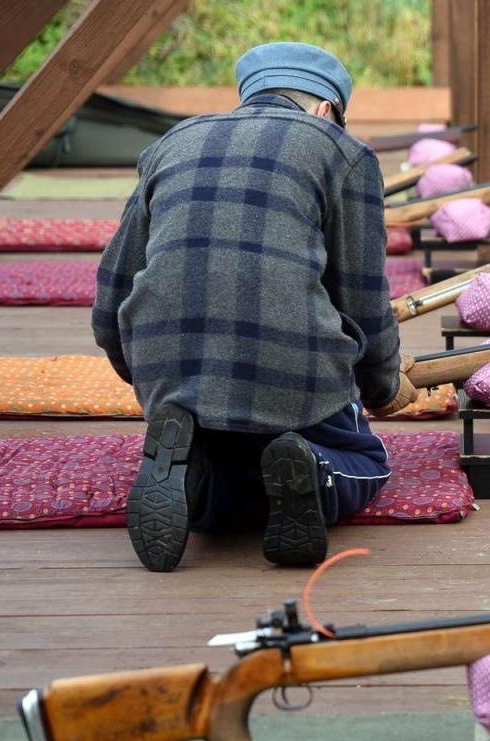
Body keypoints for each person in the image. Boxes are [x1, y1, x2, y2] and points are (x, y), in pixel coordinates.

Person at [93, 42, 414, 572]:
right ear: (325, 109)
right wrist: (380, 387)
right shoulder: (343, 151)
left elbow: (111, 297)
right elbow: (362, 298)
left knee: (229, 456)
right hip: (292, 375)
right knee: (365, 462)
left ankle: (195, 462)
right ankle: (314, 470)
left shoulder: (174, 141)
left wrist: (153, 377)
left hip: (168, 370)